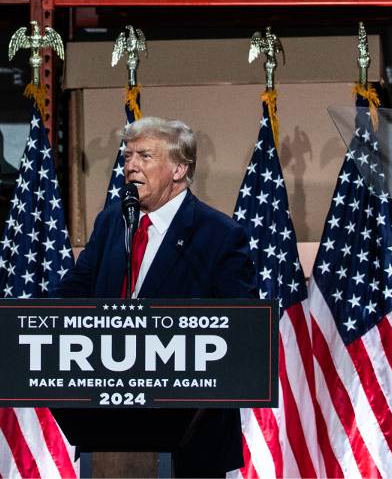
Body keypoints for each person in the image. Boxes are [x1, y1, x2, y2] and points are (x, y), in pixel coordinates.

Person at [58, 116, 256, 477]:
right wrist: (24, 321)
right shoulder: (111, 222)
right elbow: (73, 292)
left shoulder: (219, 236)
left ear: (179, 168)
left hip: (191, 438)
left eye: (144, 156)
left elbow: (242, 328)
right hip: (107, 427)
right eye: (127, 156)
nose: (130, 165)